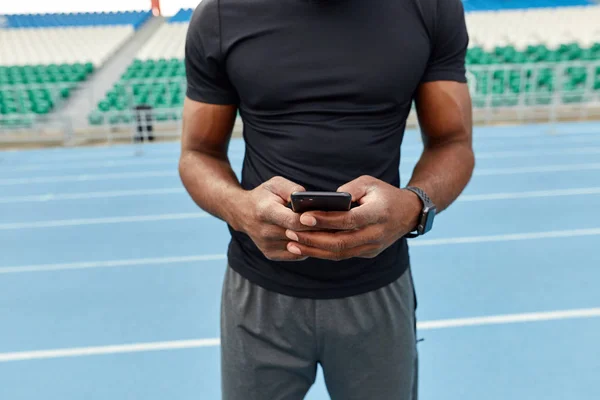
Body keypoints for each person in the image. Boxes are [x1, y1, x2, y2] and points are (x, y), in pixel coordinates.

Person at [178, 0, 475, 398]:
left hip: (378, 288)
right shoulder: (220, 13)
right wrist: (242, 210)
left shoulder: (429, 7)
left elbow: (453, 142)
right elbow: (197, 153)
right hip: (260, 293)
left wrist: (412, 208)